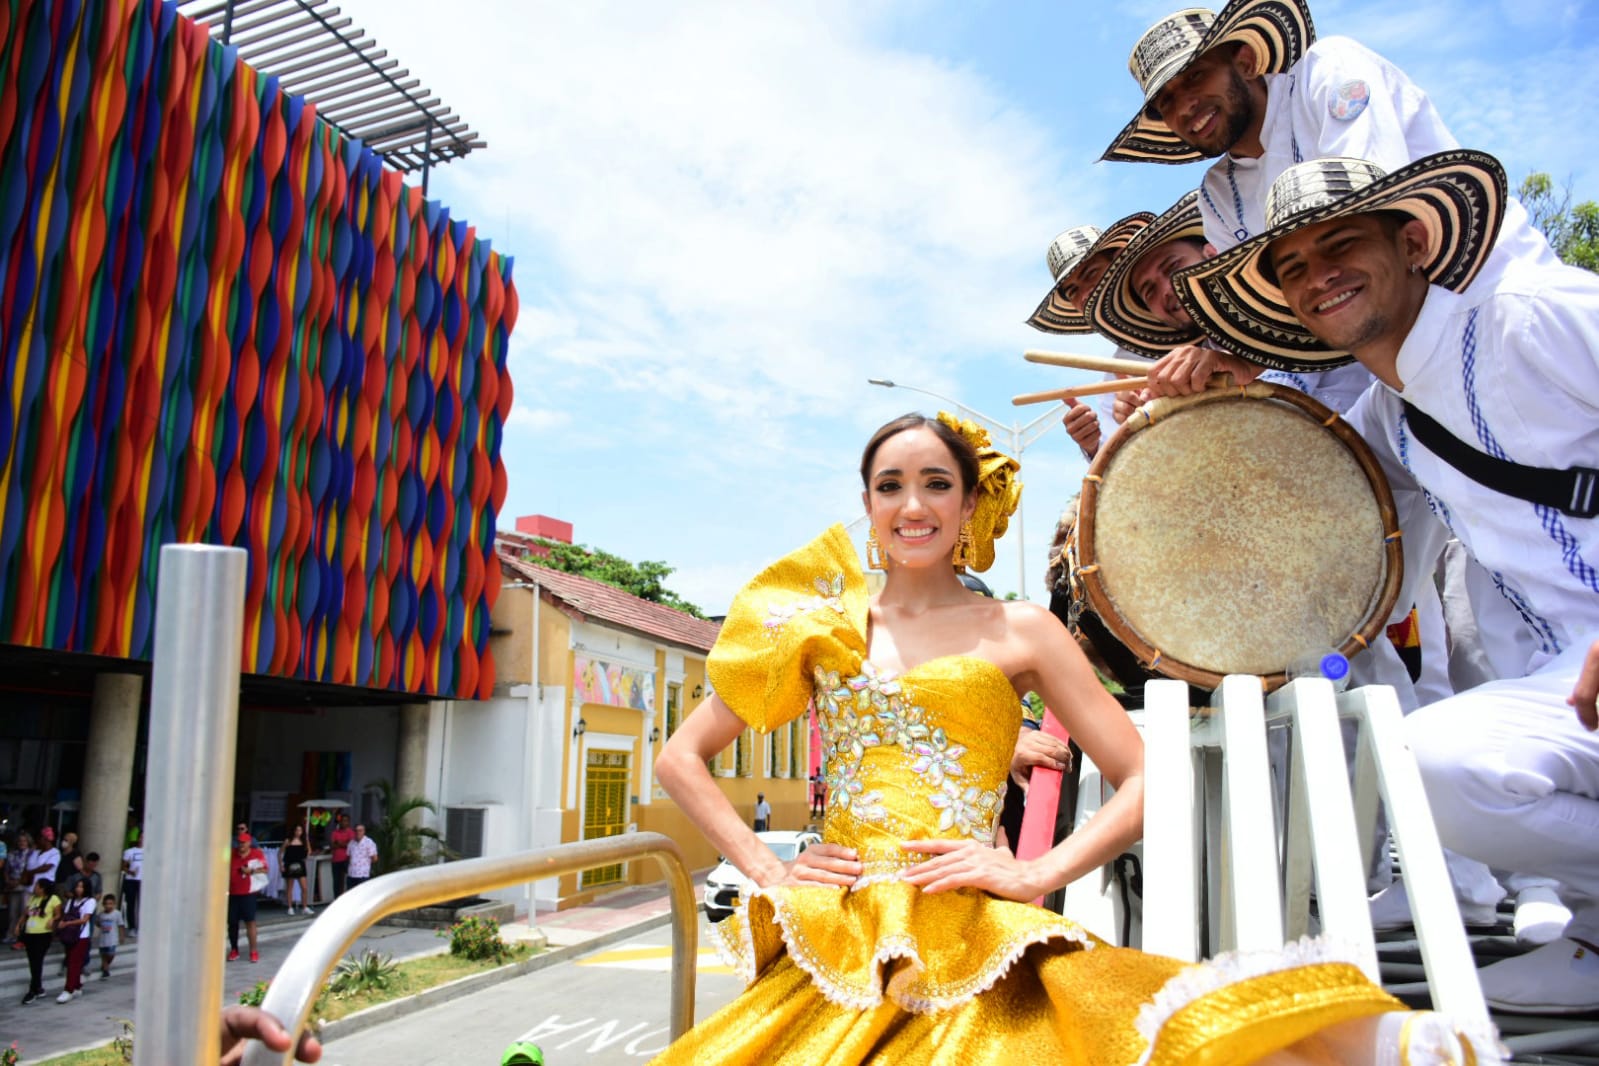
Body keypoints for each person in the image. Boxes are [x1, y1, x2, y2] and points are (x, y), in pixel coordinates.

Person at [648, 411, 1498, 1062]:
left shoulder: (1019, 629)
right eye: (890, 485)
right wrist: (767, 867)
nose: (913, 505)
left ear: (971, 501)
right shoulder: (816, 626)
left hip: (968, 922)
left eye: (937, 483)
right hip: (829, 931)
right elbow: (679, 758)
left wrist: (1037, 871)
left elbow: (1149, 777)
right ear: (866, 503)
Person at [1169, 149, 1599, 1013]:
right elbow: (1316, 512)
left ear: (1411, 242)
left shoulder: (1535, 319)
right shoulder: (1387, 416)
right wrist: (1230, 403)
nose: (1317, 277)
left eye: (1340, 246)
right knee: (1421, 763)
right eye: (1292, 269)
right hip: (1565, 675)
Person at [1026, 220, 1158, 459]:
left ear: (1120, 264)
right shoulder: (1113, 379)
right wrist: (1092, 444)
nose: (1087, 294)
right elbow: (1119, 466)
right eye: (1074, 291)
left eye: (1091, 274)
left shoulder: (1186, 310)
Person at [19, 878, 59, 1005]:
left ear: (43, 888)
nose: (35, 888)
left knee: (37, 961)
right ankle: (39, 988)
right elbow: (26, 914)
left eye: (37, 886)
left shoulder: (53, 899)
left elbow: (58, 914)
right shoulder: (33, 899)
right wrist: (18, 925)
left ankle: (32, 991)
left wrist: (53, 920)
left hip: (43, 934)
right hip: (30, 933)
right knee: (33, 961)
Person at [229, 831, 267, 963]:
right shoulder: (231, 853)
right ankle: (234, 949)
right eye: (239, 842)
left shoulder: (256, 854)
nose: (241, 845)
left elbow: (265, 869)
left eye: (243, 843)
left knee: (250, 921)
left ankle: (253, 951)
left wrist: (251, 871)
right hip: (232, 893)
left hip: (248, 893)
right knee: (232, 923)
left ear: (249, 843)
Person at [55, 876, 94, 1002]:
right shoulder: (71, 901)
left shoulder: (90, 901)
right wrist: (62, 923)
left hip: (81, 936)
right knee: (71, 960)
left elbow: (84, 919)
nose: (79, 889)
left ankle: (69, 989)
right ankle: (76, 986)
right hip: (69, 935)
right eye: (77, 886)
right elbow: (66, 915)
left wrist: (67, 924)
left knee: (74, 963)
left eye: (81, 887)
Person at [5, 829, 32, 946]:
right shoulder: (12, 854)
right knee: (12, 912)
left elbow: (30, 871)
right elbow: (6, 870)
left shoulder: (32, 854)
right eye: (20, 841)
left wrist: (19, 881)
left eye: (25, 841)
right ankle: (11, 935)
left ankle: (21, 937)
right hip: (12, 885)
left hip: (25, 886)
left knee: (23, 912)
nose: (22, 843)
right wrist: (8, 881)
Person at [280, 824, 313, 916]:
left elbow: (309, 852)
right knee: (290, 887)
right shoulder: (288, 841)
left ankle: (304, 907)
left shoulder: (303, 841)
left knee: (304, 888)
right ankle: (290, 907)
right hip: (289, 864)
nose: (298, 832)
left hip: (300, 865)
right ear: (294, 831)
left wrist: (307, 841)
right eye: (297, 830)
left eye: (300, 831)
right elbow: (280, 853)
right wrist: (281, 865)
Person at [95, 892, 126, 979]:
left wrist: (121, 936)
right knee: (103, 954)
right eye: (106, 904)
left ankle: (106, 965)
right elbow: (97, 923)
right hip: (103, 939)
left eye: (111, 904)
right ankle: (105, 970)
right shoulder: (101, 915)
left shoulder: (117, 914)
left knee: (110, 954)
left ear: (114, 904)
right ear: (103, 905)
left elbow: (121, 925)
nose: (108, 906)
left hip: (112, 939)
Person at [344, 824, 378, 891]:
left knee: (362, 894)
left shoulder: (369, 842)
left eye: (360, 830)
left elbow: (375, 858)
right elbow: (348, 857)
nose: (358, 832)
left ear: (364, 831)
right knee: (351, 894)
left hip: (363, 874)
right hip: (351, 874)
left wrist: (365, 864)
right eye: (356, 831)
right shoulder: (351, 843)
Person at [121, 830, 143, 935]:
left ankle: (141, 926)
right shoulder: (130, 851)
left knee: (142, 904)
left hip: (144, 880)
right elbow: (123, 866)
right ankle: (132, 927)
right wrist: (130, 871)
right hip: (131, 880)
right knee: (131, 903)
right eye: (141, 837)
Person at [329, 814, 354, 897]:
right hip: (336, 860)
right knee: (337, 882)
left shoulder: (351, 832)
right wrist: (344, 844)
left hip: (347, 859)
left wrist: (339, 843)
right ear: (340, 822)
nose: (344, 822)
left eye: (346, 821)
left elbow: (351, 845)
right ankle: (337, 899)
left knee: (348, 880)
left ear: (348, 822)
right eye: (342, 820)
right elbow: (332, 845)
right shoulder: (335, 833)